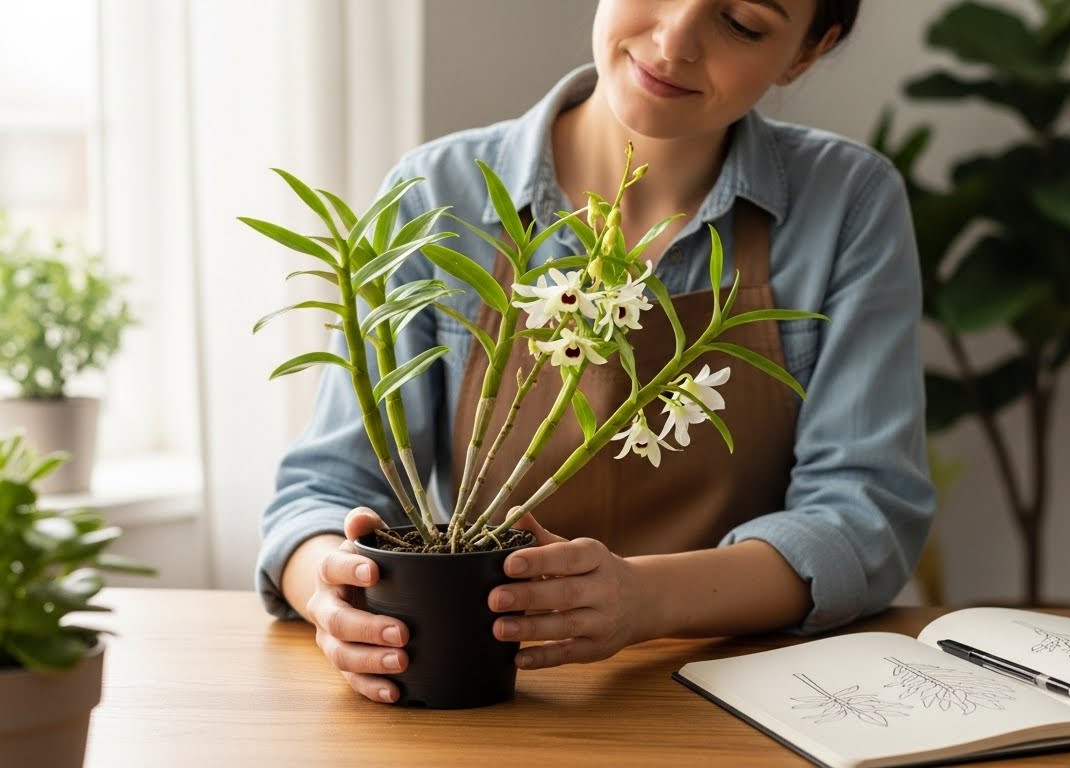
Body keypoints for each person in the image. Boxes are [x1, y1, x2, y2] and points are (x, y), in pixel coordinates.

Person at [258, 0, 935, 705]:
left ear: (804, 51)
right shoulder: (436, 195)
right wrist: (334, 599)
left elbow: (863, 517)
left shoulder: (845, 203)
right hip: (480, 698)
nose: (674, 42)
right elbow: (322, 495)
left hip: (748, 697)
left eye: (740, 21)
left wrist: (643, 599)